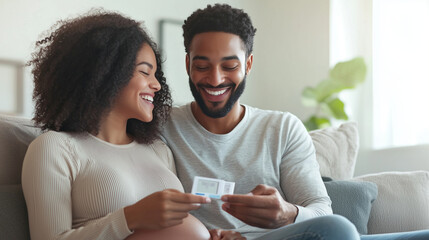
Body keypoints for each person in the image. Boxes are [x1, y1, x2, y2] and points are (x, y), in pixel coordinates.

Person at [159, 4, 429, 240]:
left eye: (229, 66)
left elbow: (321, 209)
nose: (215, 80)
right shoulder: (164, 126)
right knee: (339, 231)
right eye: (202, 66)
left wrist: (287, 214)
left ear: (248, 64)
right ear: (187, 64)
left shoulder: (281, 128)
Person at [22, 10, 238, 240]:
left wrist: (208, 235)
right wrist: (130, 217)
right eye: (145, 72)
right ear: (105, 73)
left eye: (156, 75)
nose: (156, 85)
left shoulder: (158, 150)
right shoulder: (55, 148)